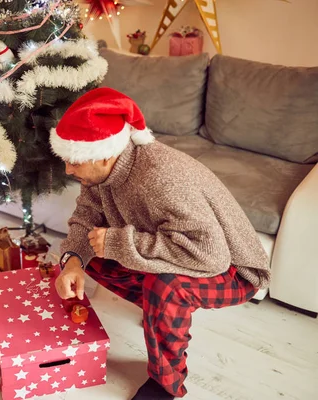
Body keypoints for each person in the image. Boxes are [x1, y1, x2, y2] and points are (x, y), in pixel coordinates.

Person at [50, 88, 270, 399]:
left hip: (234, 269)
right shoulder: (100, 173)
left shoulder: (159, 179)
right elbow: (87, 215)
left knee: (164, 287)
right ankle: (159, 313)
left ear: (103, 154)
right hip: (188, 251)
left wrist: (117, 242)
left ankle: (165, 385)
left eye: (73, 161)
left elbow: (211, 257)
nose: (68, 170)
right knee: (91, 252)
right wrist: (72, 261)